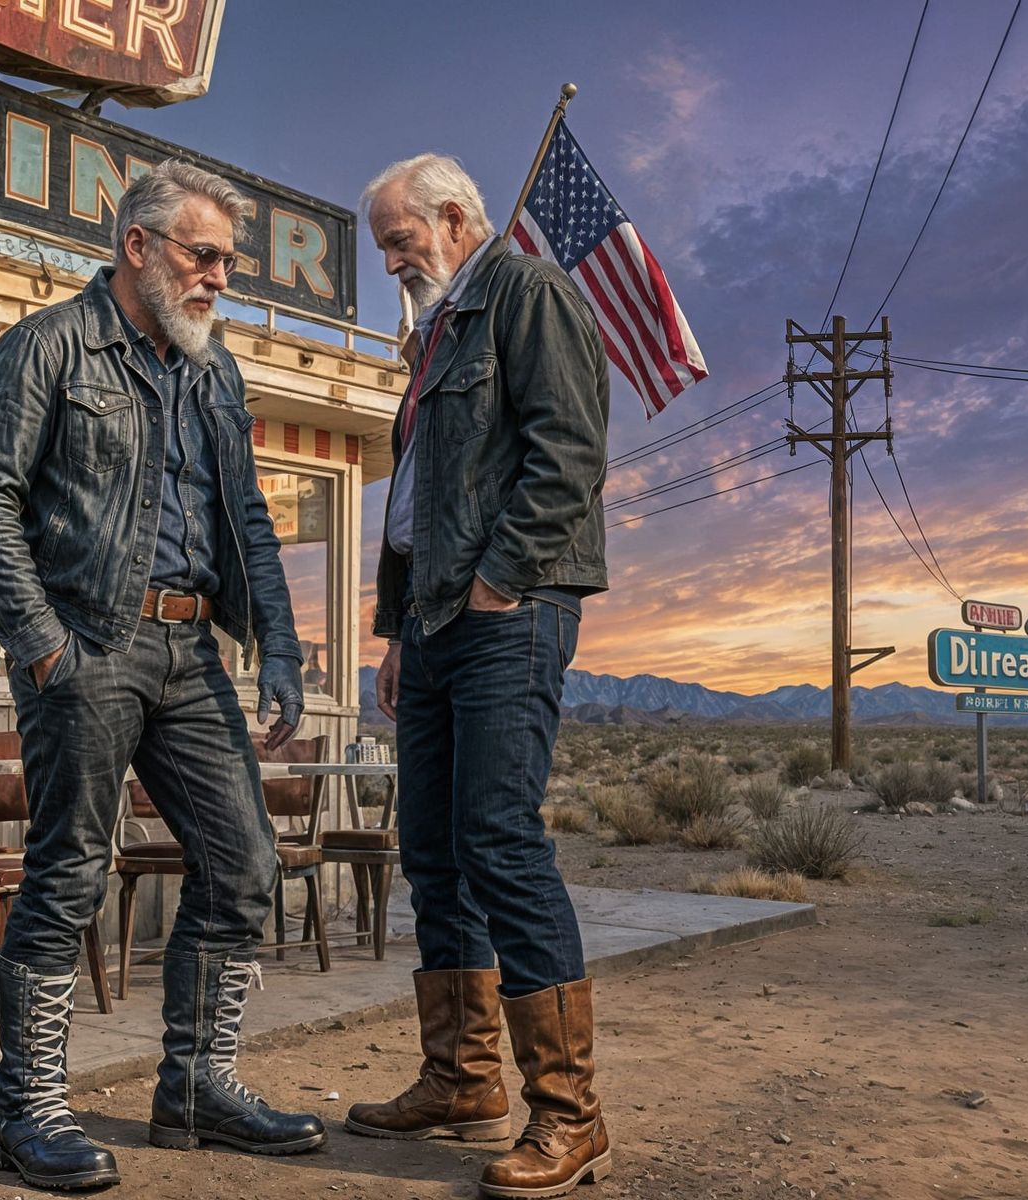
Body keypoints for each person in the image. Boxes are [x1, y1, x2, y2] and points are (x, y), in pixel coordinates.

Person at [0, 158, 319, 1192]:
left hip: (193, 649)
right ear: (139, 247)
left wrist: (277, 644)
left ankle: (196, 1087)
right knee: (69, 872)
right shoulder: (49, 347)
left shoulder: (213, 370)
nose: (220, 278)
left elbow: (246, 521)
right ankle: (25, 1112)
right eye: (204, 255)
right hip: (88, 641)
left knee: (244, 863)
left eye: (229, 262)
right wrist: (43, 640)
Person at [346, 154, 613, 1198]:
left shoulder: (528, 294)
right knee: (434, 846)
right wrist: (400, 632)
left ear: (455, 218)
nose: (389, 258)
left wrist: (502, 580)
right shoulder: (435, 335)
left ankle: (570, 1116)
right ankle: (461, 1078)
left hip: (510, 612)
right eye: (381, 244)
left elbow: (569, 451)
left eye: (397, 237)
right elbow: (419, 501)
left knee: (498, 838)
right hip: (434, 621)